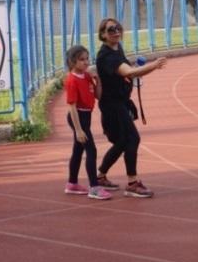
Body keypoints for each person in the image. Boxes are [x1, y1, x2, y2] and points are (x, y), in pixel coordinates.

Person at [95, 18, 167, 197]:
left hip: (120, 102)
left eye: (118, 28)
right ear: (103, 35)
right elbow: (128, 72)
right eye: (111, 29)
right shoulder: (106, 55)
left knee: (121, 142)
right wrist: (153, 66)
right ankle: (132, 183)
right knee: (132, 139)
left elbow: (126, 70)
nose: (116, 32)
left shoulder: (117, 48)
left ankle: (101, 176)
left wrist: (135, 71)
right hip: (112, 106)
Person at [63, 45, 112, 200]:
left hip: (87, 116)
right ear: (72, 62)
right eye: (81, 60)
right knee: (91, 149)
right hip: (77, 117)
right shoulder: (72, 80)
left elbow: (98, 96)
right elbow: (72, 107)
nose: (86, 63)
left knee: (78, 150)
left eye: (87, 59)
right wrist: (78, 130)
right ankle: (94, 187)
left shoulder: (87, 76)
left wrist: (98, 81)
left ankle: (72, 183)